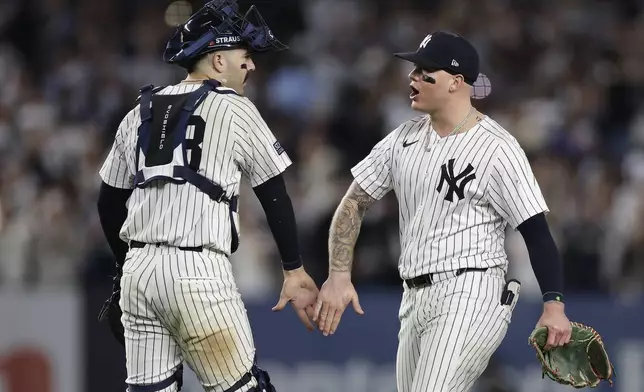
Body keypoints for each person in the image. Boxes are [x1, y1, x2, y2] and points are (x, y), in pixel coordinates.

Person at [313, 30, 573, 392]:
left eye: (424, 72)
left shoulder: (497, 148)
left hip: (471, 290)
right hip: (414, 297)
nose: (412, 78)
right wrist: (339, 274)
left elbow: (536, 232)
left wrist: (554, 305)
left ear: (456, 82)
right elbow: (353, 203)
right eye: (414, 70)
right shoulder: (402, 139)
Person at [95, 1, 319, 391]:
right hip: (197, 273)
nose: (251, 66)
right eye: (244, 56)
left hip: (139, 275)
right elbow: (273, 192)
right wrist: (294, 268)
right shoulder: (233, 108)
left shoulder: (139, 112)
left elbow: (108, 202)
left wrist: (124, 269)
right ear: (217, 61)